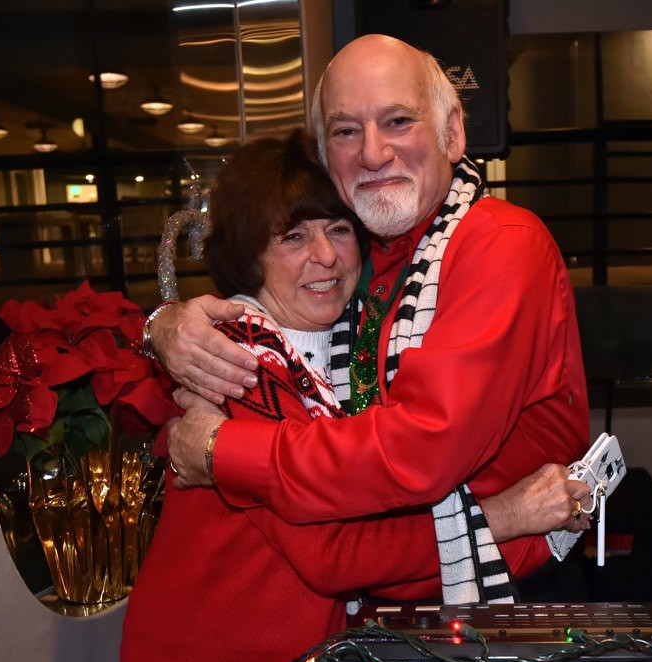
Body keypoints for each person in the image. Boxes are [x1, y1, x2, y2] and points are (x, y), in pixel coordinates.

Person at [118, 130, 591, 662]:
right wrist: (508, 516)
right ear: (246, 255)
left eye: (339, 230)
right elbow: (339, 556)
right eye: (292, 237)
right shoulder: (238, 361)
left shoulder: (347, 350)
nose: (326, 258)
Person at [145, 36, 590, 601]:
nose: (373, 153)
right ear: (326, 155)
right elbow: (258, 311)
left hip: (497, 594)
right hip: (373, 611)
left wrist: (219, 451)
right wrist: (162, 324)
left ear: (453, 131)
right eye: (345, 130)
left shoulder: (499, 245)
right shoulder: (357, 257)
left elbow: (420, 452)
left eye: (398, 121)